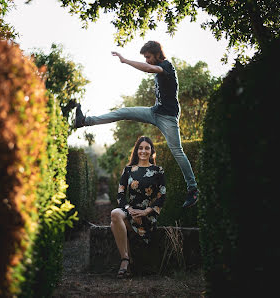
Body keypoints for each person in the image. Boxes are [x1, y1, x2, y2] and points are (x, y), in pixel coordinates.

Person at [74, 40, 199, 208]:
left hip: (168, 118)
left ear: (156, 54)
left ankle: (193, 189)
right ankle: (84, 121)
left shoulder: (167, 66)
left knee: (177, 151)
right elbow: (151, 68)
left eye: (148, 57)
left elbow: (150, 68)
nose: (147, 60)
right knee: (123, 112)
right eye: (145, 57)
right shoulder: (159, 67)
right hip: (155, 112)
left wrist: (125, 61)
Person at [110, 136, 166, 278]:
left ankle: (128, 263)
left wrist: (147, 211)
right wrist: (129, 209)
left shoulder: (158, 171)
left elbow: (162, 195)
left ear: (151, 151)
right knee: (115, 214)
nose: (143, 151)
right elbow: (121, 194)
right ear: (136, 151)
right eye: (140, 148)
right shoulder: (128, 170)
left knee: (113, 224)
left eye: (147, 148)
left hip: (147, 215)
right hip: (130, 210)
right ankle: (125, 259)